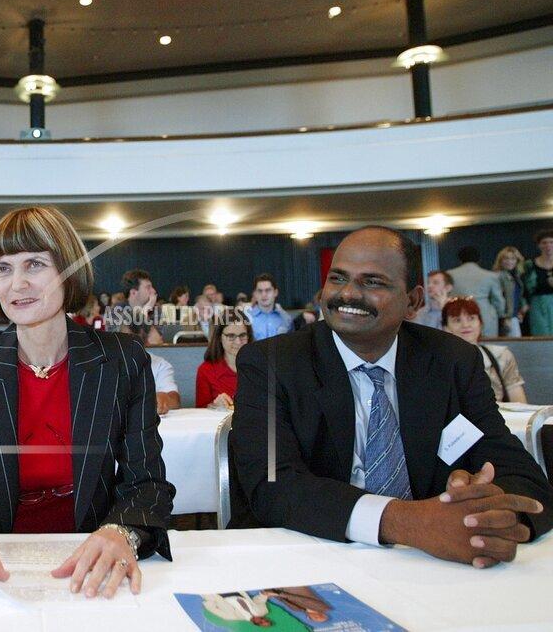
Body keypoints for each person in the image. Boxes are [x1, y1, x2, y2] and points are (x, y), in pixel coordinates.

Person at [230, 226, 552, 569]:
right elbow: (272, 483)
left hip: (435, 564)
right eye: (338, 278)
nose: (348, 294)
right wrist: (408, 522)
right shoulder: (270, 362)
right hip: (309, 558)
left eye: (372, 282)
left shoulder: (453, 361)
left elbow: (523, 477)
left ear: (413, 301)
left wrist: (481, 513)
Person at [0, 206, 174, 599]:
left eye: (34, 264)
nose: (17, 284)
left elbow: (147, 483)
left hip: (92, 561)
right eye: (3, 269)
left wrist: (123, 531)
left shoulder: (122, 358)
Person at [443, 297, 527, 403]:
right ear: (446, 327)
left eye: (471, 318)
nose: (465, 325)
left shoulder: (501, 355)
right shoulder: (438, 361)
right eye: (457, 320)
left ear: (480, 323)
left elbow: (519, 403)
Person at [195, 312, 253, 409]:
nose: (238, 342)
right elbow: (200, 411)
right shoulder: (206, 370)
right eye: (231, 336)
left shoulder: (261, 367)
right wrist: (214, 405)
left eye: (242, 335)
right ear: (220, 338)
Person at [447, 247, 505, 338]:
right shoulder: (490, 276)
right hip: (485, 314)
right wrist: (500, 314)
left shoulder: (449, 274)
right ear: (478, 259)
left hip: (458, 314)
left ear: (460, 259)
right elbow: (498, 300)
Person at [118, 269, 164, 344]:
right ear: (133, 293)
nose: (154, 291)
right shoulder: (117, 310)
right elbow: (126, 344)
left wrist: (145, 311)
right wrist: (143, 314)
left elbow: (155, 342)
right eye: (148, 287)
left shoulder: (155, 310)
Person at [522, 229, 553, 336]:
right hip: (537, 304)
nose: (548, 245)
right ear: (539, 245)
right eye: (544, 242)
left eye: (551, 242)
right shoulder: (530, 264)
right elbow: (524, 287)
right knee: (540, 333)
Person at [244, 273, 292, 341]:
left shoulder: (286, 318)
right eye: (260, 291)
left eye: (268, 290)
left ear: (275, 292)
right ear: (255, 294)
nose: (264, 294)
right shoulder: (246, 318)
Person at [493, 246, 526, 338]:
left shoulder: (516, 276)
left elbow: (516, 297)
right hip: (505, 317)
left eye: (513, 258)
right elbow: (500, 299)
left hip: (514, 316)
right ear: (500, 260)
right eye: (506, 258)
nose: (509, 261)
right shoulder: (498, 276)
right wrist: (506, 317)